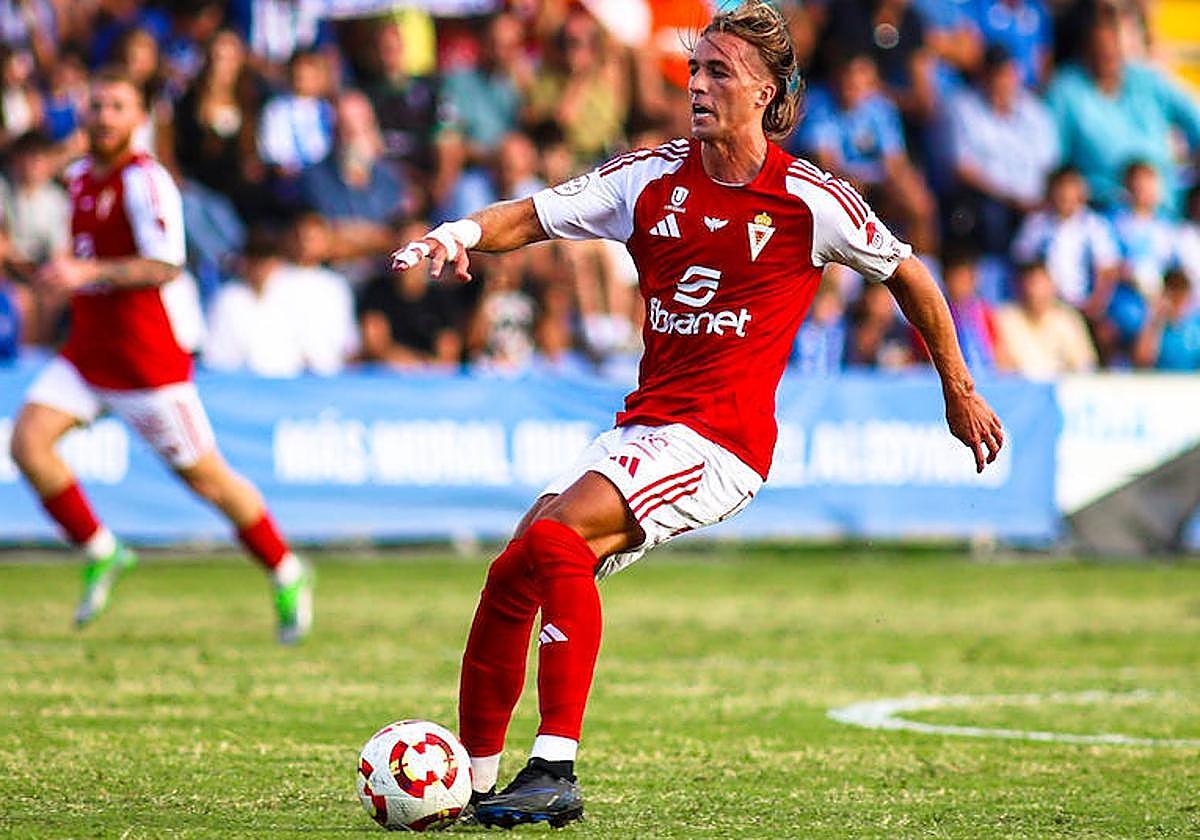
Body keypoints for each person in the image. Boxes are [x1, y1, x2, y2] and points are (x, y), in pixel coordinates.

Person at [390, 2, 1003, 827]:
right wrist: (458, 232)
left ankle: (556, 767)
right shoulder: (651, 179)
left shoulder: (809, 200)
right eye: (695, 71)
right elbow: (534, 216)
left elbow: (912, 276)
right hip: (644, 426)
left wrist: (957, 389)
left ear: (769, 93)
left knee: (556, 540)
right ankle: (470, 781)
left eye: (721, 73)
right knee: (513, 575)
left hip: (721, 443)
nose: (700, 86)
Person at [7, 68, 314, 643]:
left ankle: (284, 567)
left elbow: (166, 264)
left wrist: (85, 273)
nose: (101, 116)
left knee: (207, 480)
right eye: (95, 105)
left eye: (115, 106)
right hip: (86, 354)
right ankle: (103, 549)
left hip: (145, 366)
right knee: (27, 442)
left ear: (138, 120)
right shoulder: (78, 178)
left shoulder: (145, 181)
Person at [203, 224, 358, 377]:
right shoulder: (228, 299)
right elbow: (216, 358)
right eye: (255, 257)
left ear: (277, 261)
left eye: (267, 258)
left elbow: (312, 353)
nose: (261, 266)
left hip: (289, 387)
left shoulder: (294, 295)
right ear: (245, 261)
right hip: (238, 385)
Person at [994, 261, 1098, 379]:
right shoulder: (1006, 317)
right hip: (1020, 388)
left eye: (1042, 285)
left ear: (1052, 286)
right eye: (1032, 284)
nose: (1036, 292)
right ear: (1021, 287)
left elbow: (1084, 365)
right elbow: (1002, 365)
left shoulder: (1067, 318)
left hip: (1061, 388)